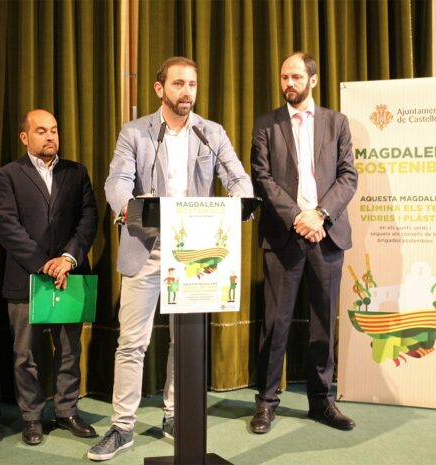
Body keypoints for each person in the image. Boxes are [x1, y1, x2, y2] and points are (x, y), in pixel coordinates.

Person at [88, 56, 254, 461]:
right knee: (132, 342)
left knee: (187, 341)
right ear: (160, 89)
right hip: (146, 245)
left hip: (194, 248)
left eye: (192, 84)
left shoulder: (211, 132)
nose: (187, 92)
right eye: (178, 84)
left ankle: (174, 415)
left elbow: (236, 176)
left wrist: (242, 199)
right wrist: (128, 209)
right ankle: (122, 427)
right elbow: (117, 181)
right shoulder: (136, 132)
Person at [249, 52, 358, 434]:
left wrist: (320, 215)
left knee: (323, 324)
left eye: (296, 76)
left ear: (312, 79)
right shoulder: (266, 124)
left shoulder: (337, 122)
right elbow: (261, 177)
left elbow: (348, 176)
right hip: (284, 236)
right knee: (275, 324)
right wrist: (299, 217)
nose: (289, 83)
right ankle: (266, 402)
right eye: (284, 77)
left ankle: (321, 402)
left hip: (327, 235)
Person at [0, 109, 98, 446]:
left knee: (69, 350)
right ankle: (32, 417)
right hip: (26, 278)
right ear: (24, 137)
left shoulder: (77, 172)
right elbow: (7, 226)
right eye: (41, 131)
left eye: (54, 130)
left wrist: (67, 259)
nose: (51, 136)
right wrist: (44, 264)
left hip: (70, 274)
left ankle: (66, 411)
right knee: (26, 355)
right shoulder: (9, 175)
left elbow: (88, 219)